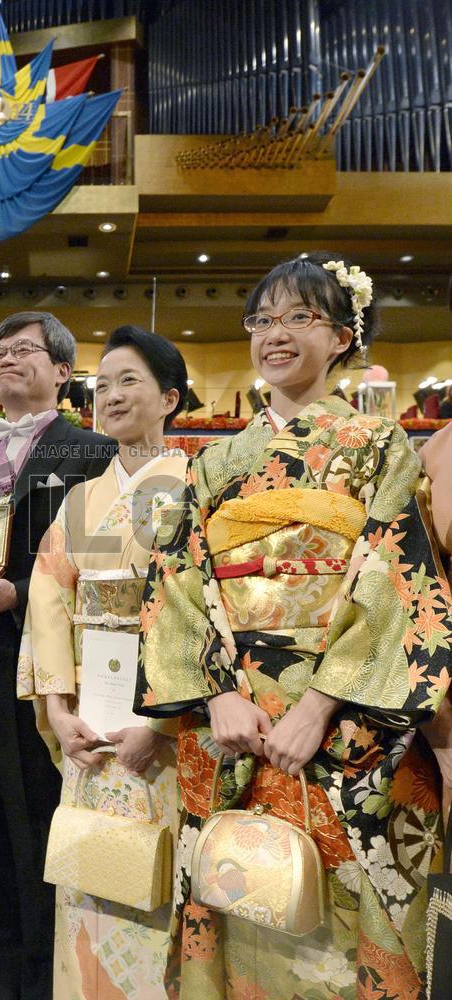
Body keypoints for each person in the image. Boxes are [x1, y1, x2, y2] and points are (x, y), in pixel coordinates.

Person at [136, 252, 452, 997]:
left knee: (349, 916)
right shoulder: (215, 461)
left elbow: (396, 577)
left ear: (342, 337)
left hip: (346, 723)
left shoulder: (381, 447)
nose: (275, 334)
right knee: (237, 898)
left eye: (300, 318)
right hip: (232, 724)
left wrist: (317, 706)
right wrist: (217, 694)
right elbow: (178, 581)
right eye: (263, 319)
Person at [0, 311, 115, 1000]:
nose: (5, 359)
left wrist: (22, 591)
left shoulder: (93, 452)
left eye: (22, 350)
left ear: (62, 371)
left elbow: (103, 563)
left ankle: (43, 980)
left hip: (42, 662)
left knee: (36, 825)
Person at [18, 326, 188, 998]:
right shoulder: (84, 498)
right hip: (89, 725)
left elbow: (202, 612)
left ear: (169, 398)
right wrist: (58, 710)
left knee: (160, 881)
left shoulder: (197, 489)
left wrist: (164, 721)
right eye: (103, 384)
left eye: (129, 381)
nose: (111, 396)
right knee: (89, 875)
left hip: (162, 729)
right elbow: (49, 600)